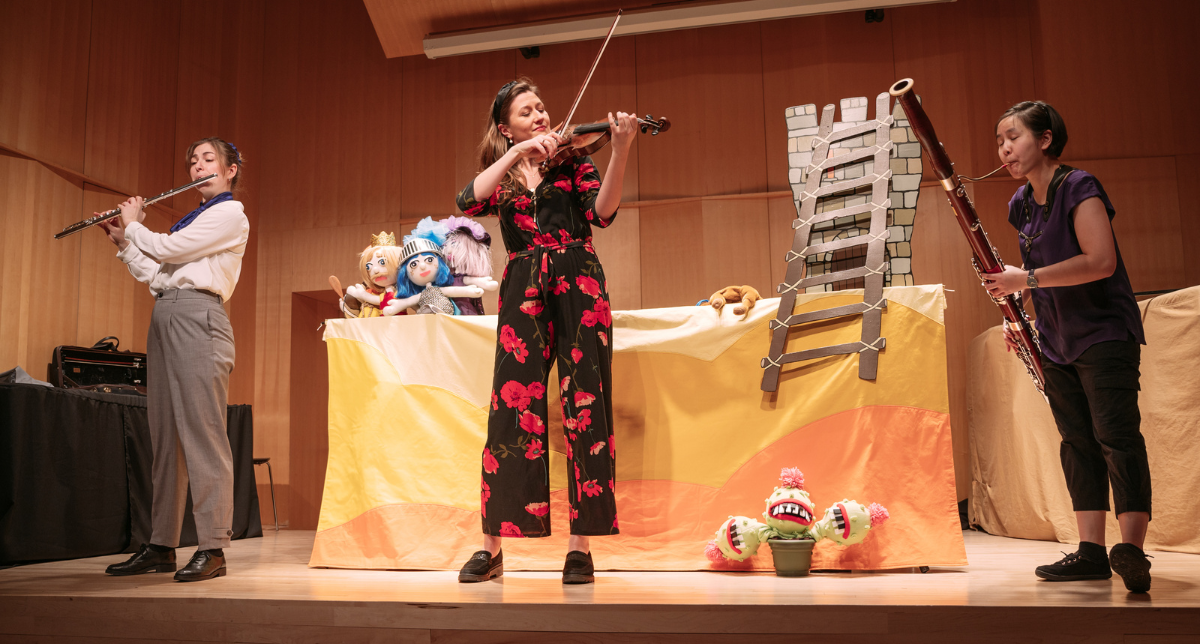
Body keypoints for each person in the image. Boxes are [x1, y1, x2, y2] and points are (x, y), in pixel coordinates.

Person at [454, 77, 635, 584]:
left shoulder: (574, 160)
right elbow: (467, 200)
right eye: (525, 112)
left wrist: (620, 149)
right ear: (505, 128)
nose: (539, 117)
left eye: (541, 109)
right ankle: (493, 547)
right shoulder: (506, 175)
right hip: (523, 283)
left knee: (586, 407)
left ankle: (581, 547)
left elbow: (604, 213)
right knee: (510, 412)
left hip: (578, 277)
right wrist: (516, 157)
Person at [983, 102, 1153, 593]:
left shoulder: (1079, 187)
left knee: (1116, 438)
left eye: (1012, 137)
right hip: (1057, 338)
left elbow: (1099, 261)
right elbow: (1040, 283)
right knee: (1077, 444)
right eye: (999, 141)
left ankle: (1132, 551)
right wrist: (1025, 321)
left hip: (1103, 333)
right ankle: (1092, 552)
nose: (1004, 149)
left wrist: (1025, 280)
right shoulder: (1020, 203)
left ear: (1046, 139)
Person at [98, 137, 250, 582]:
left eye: (208, 160)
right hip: (167, 311)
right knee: (165, 437)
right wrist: (124, 243)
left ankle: (214, 548)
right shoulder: (195, 219)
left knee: (203, 433)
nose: (197, 167)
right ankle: (162, 544)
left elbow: (169, 250)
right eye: (193, 162)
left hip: (199, 316)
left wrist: (135, 225)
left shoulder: (228, 213)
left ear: (230, 170)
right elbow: (158, 274)